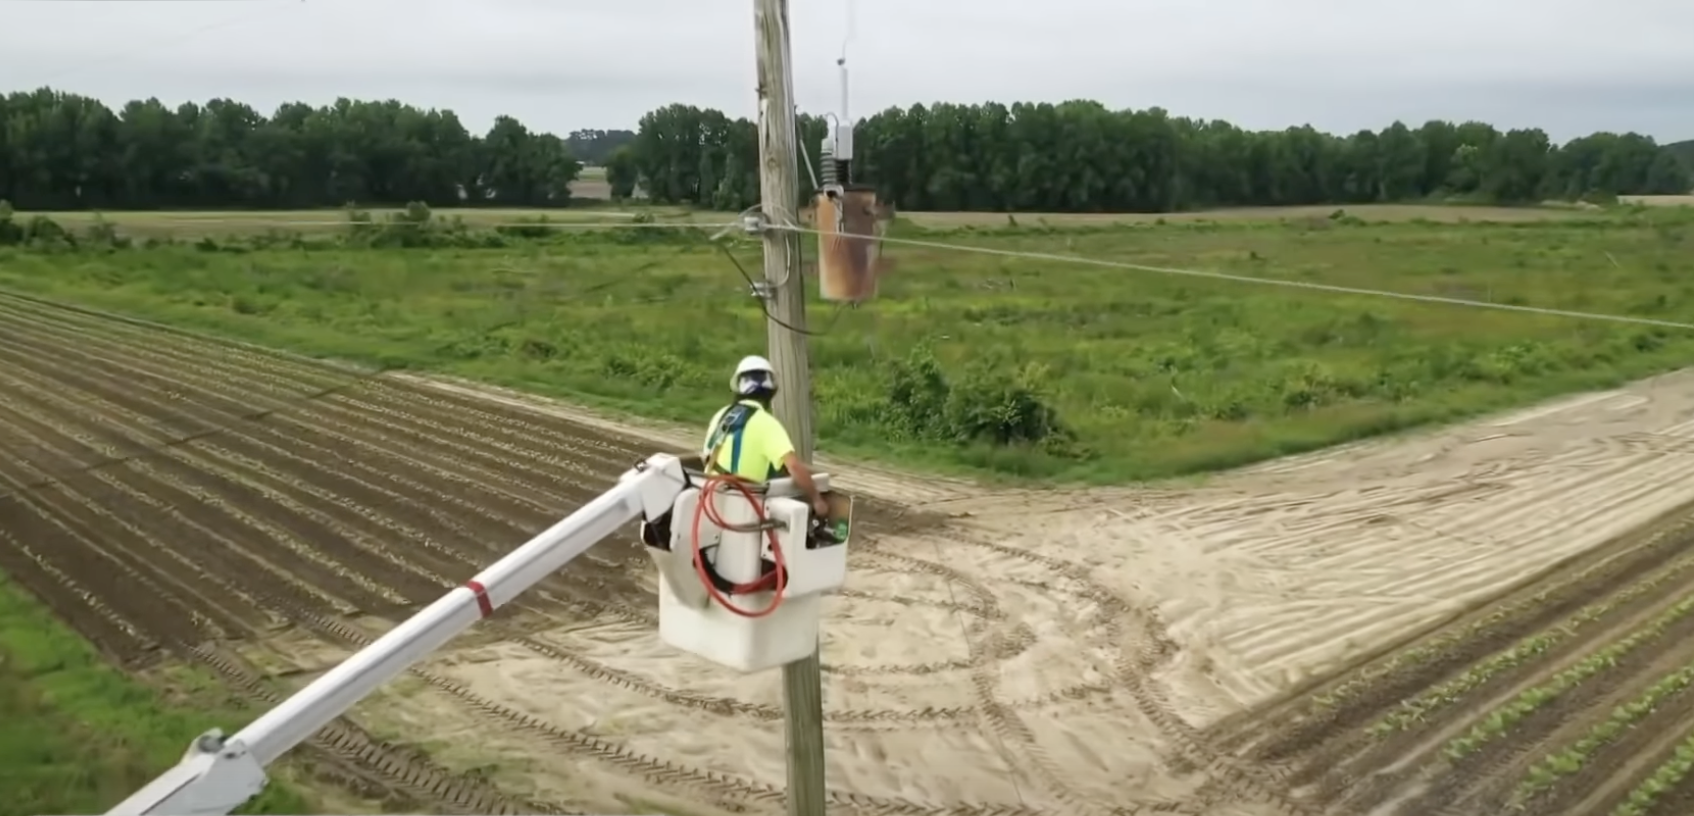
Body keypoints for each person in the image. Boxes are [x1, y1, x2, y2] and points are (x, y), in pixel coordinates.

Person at [702, 355, 830, 521]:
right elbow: (794, 467)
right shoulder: (767, 424)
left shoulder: (720, 415)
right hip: (744, 508)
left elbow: (706, 456)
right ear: (771, 392)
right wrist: (817, 500)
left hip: (709, 502)